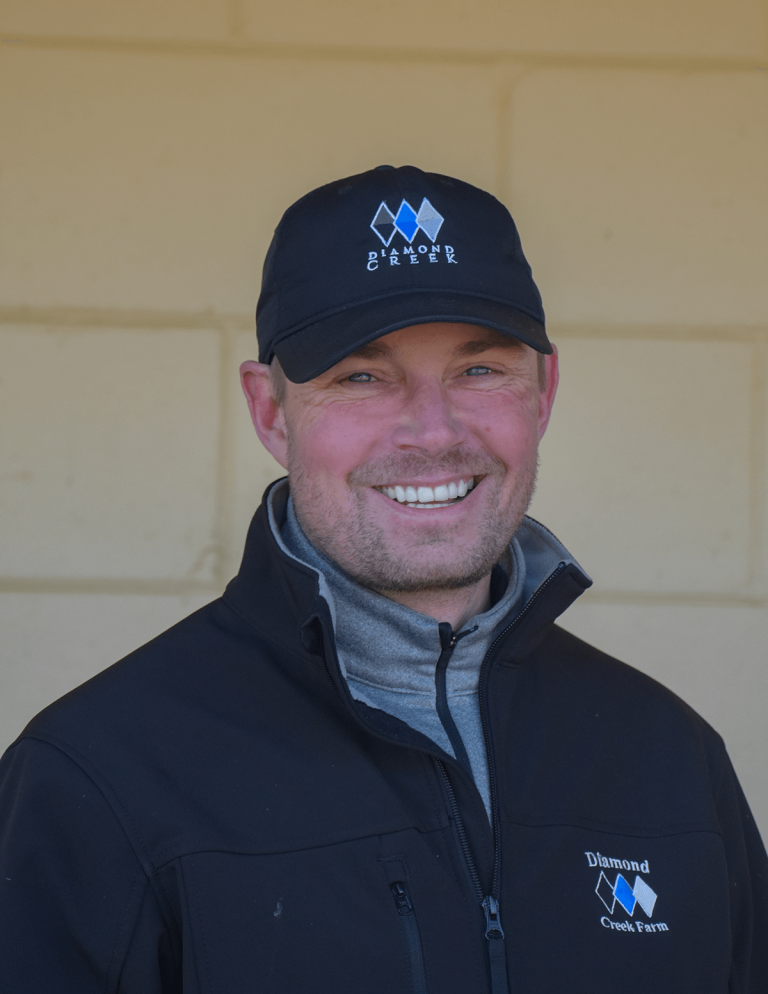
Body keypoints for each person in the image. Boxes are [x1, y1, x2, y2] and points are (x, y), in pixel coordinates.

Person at [0, 165, 765, 993]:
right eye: (360, 377)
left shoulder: (672, 761)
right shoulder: (94, 778)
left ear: (542, 394)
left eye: (480, 371)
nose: (433, 434)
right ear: (270, 411)